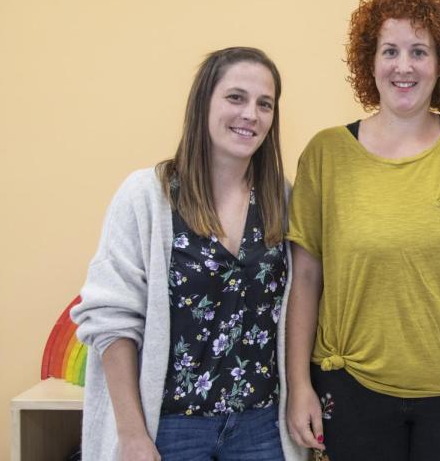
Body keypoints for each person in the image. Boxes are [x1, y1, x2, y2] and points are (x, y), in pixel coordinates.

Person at [285, 0, 440, 461]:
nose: (403, 66)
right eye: (389, 50)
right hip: (351, 387)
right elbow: (304, 276)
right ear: (370, 61)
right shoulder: (326, 154)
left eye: (419, 51)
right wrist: (297, 382)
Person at [72, 47, 306, 461]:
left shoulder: (281, 199)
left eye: (264, 104)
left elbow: (300, 305)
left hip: (260, 428)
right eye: (236, 97)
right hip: (169, 427)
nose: (251, 114)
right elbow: (110, 320)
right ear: (203, 104)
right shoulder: (147, 196)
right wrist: (131, 434)